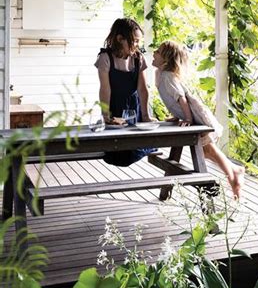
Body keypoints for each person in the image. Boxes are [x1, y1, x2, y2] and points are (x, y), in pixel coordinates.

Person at [152, 40, 245, 199]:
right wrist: (177, 115)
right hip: (190, 115)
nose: (154, 52)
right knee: (207, 151)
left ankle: (233, 177)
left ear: (166, 59)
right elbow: (172, 99)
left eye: (158, 51)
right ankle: (234, 171)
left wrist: (187, 117)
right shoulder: (161, 74)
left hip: (196, 116)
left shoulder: (167, 76)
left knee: (209, 151)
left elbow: (182, 99)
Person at [95, 17, 155, 166]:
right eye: (134, 41)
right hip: (115, 107)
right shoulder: (105, 58)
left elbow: (142, 88)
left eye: (138, 41)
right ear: (119, 38)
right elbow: (105, 89)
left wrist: (146, 116)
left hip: (135, 109)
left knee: (134, 148)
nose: (137, 45)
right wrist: (106, 115)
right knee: (118, 153)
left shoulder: (138, 58)